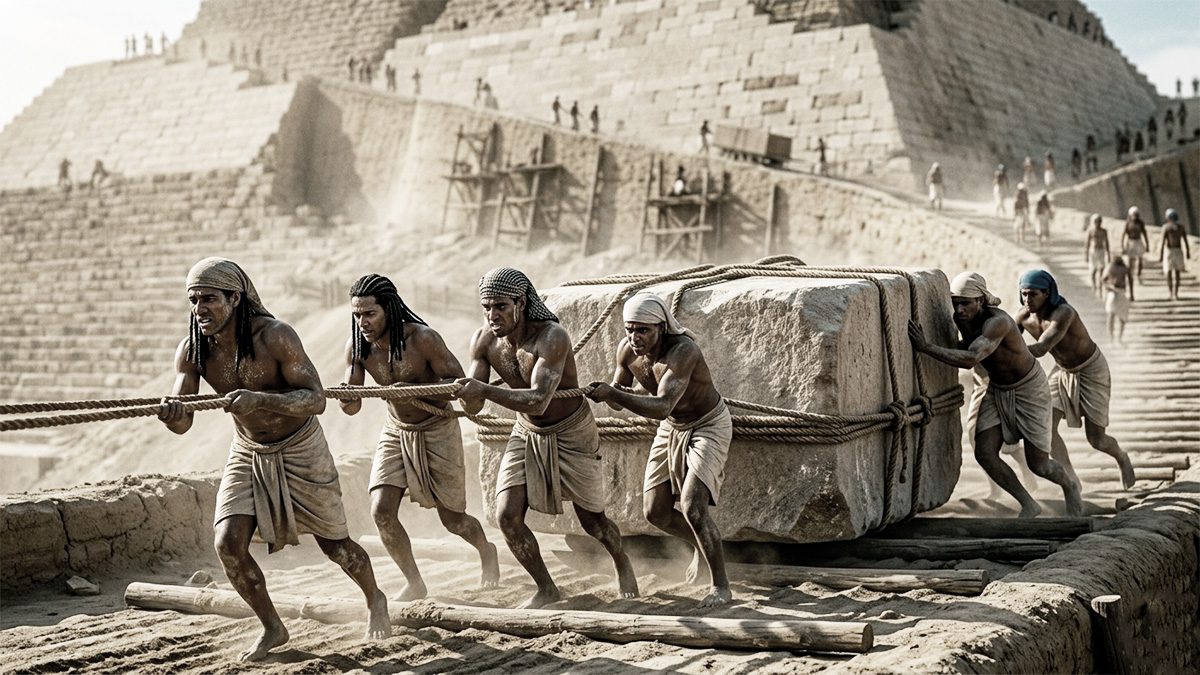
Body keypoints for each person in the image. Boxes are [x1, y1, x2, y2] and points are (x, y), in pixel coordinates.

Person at [158, 258, 390, 661]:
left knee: (336, 547)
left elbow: (315, 399)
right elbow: (184, 421)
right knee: (227, 543)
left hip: (301, 446)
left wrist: (260, 398)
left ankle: (375, 598)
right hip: (247, 450)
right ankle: (273, 627)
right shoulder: (192, 348)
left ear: (235, 297)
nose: (199, 309)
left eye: (208, 299)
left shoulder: (276, 336)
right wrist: (172, 413)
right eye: (193, 301)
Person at [453, 268, 638, 608]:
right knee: (506, 515)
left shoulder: (552, 337)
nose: (493, 316)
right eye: (486, 308)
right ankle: (547, 588)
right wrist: (464, 392)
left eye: (501, 307)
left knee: (593, 522)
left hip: (571, 430)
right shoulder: (483, 341)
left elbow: (539, 400)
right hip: (526, 430)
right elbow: (475, 404)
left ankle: (621, 560)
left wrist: (482, 391)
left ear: (521, 303)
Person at [338, 274, 500, 599]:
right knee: (381, 510)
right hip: (396, 430)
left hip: (437, 429)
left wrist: (412, 391)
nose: (362, 322)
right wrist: (346, 396)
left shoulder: (423, 339)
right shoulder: (358, 345)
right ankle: (414, 582)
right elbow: (352, 407)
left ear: (390, 309)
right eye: (357, 315)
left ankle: (487, 550)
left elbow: (460, 388)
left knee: (453, 520)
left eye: (369, 314)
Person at [587, 292, 733, 607]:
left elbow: (663, 406)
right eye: (629, 329)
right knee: (655, 512)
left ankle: (721, 585)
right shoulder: (627, 351)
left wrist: (615, 394)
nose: (634, 337)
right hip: (672, 427)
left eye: (643, 330)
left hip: (708, 423)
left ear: (662, 327)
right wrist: (604, 393)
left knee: (694, 507)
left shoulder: (683, 351)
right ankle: (699, 545)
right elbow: (616, 401)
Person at [909, 272, 1082, 517]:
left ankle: (1070, 485)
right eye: (955, 302)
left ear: (981, 300)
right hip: (996, 388)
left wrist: (926, 347)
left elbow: (971, 358)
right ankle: (1028, 503)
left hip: (1028, 388)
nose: (959, 309)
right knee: (985, 453)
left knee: (1039, 464)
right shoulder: (959, 318)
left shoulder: (997, 322)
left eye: (965, 303)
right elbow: (963, 347)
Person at [1015, 270, 1135, 490]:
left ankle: (1121, 456)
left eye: (1032, 294)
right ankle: (1070, 478)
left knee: (1096, 439)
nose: (1027, 300)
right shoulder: (1023, 316)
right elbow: (1005, 337)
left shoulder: (1064, 313)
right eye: (1023, 294)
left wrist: (1006, 349)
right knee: (1046, 426)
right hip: (1061, 371)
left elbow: (1041, 348)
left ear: (1047, 293)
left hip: (1091, 370)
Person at [1159, 208, 1191, 301]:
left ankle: (1174, 293)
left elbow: (1184, 239)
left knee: (1174, 273)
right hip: (1171, 250)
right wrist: (1187, 251)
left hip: (1174, 250)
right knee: (1171, 273)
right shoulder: (1170, 227)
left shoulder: (1178, 227)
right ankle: (1172, 293)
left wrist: (1188, 251)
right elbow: (1163, 241)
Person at [1101, 256, 1134, 345]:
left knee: (1121, 317)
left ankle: (1119, 338)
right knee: (1112, 316)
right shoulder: (1111, 267)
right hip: (1113, 293)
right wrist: (1110, 287)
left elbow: (1130, 279)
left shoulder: (1123, 268)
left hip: (1121, 292)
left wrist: (1131, 294)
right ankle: (1112, 339)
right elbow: (1103, 280)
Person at [1121, 206, 1150, 280]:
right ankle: (1130, 274)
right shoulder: (1128, 223)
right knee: (1131, 260)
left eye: (1136, 214)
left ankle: (1139, 274)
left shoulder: (1140, 223)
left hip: (1138, 241)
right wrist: (1122, 246)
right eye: (1134, 215)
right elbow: (1124, 234)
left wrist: (1147, 245)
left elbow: (1144, 233)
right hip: (1130, 242)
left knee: (1140, 259)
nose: (1135, 216)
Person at [1085, 214, 1110, 297]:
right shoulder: (1090, 231)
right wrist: (1086, 254)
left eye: (1099, 221)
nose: (1098, 223)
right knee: (1093, 270)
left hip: (1101, 251)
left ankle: (1100, 288)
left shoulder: (1103, 231)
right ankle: (1094, 287)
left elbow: (1106, 243)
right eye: (1096, 221)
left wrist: (1108, 254)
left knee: (1102, 270)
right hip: (1093, 251)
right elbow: (1087, 243)